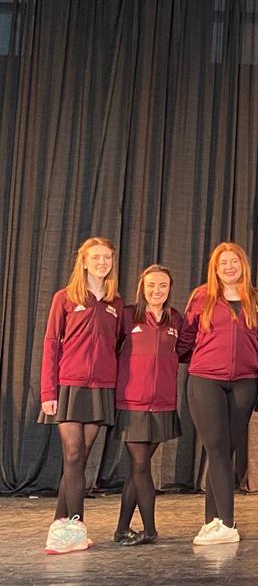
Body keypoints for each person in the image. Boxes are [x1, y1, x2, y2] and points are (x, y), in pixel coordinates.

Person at [177, 242, 258, 546]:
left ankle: (212, 522)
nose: (229, 267)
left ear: (243, 265)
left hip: (244, 382)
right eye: (223, 263)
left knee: (224, 452)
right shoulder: (201, 297)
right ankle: (228, 525)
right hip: (205, 381)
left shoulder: (256, 300)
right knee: (217, 448)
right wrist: (204, 359)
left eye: (234, 262)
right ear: (215, 268)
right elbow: (185, 339)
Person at [39, 237, 123, 554]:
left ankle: (61, 527)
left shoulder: (115, 303)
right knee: (73, 455)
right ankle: (75, 525)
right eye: (96, 257)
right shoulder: (65, 298)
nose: (102, 262)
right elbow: (51, 345)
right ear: (84, 261)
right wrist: (49, 391)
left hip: (100, 388)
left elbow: (117, 346)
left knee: (79, 460)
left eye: (107, 257)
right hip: (69, 386)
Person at [114, 265, 183, 546]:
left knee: (138, 469)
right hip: (132, 403)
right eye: (152, 285)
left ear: (169, 289)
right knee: (140, 465)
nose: (157, 290)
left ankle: (121, 530)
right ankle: (150, 530)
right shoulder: (127, 316)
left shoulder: (176, 320)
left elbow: (187, 351)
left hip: (163, 404)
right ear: (142, 287)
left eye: (163, 286)